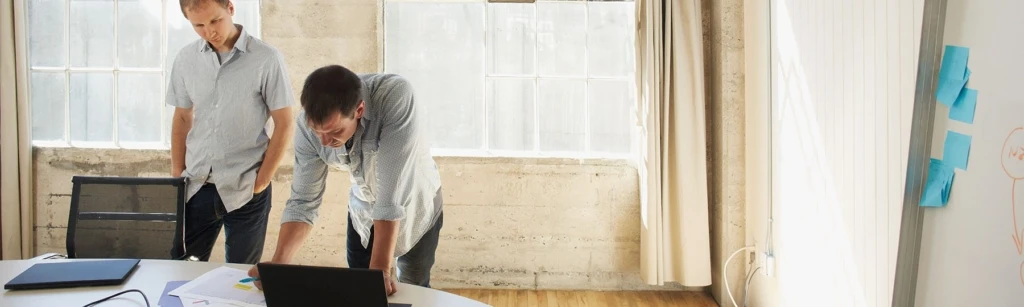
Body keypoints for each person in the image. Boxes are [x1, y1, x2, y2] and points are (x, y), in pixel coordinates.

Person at [248, 65, 444, 296]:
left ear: (359, 110)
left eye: (334, 132)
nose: (323, 142)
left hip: (416, 205)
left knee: (412, 288)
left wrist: (380, 269)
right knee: (359, 291)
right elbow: (303, 201)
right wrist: (279, 266)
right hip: (363, 212)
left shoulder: (395, 96)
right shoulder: (306, 126)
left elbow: (392, 193)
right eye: (317, 131)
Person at [166, 0, 294, 264]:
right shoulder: (186, 58)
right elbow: (181, 116)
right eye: (198, 25)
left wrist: (262, 181)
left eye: (215, 20)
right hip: (195, 187)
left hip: (247, 187)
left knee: (239, 278)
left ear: (231, 9)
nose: (209, 31)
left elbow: (284, 123)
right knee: (180, 270)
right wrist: (177, 174)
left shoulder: (266, 58)